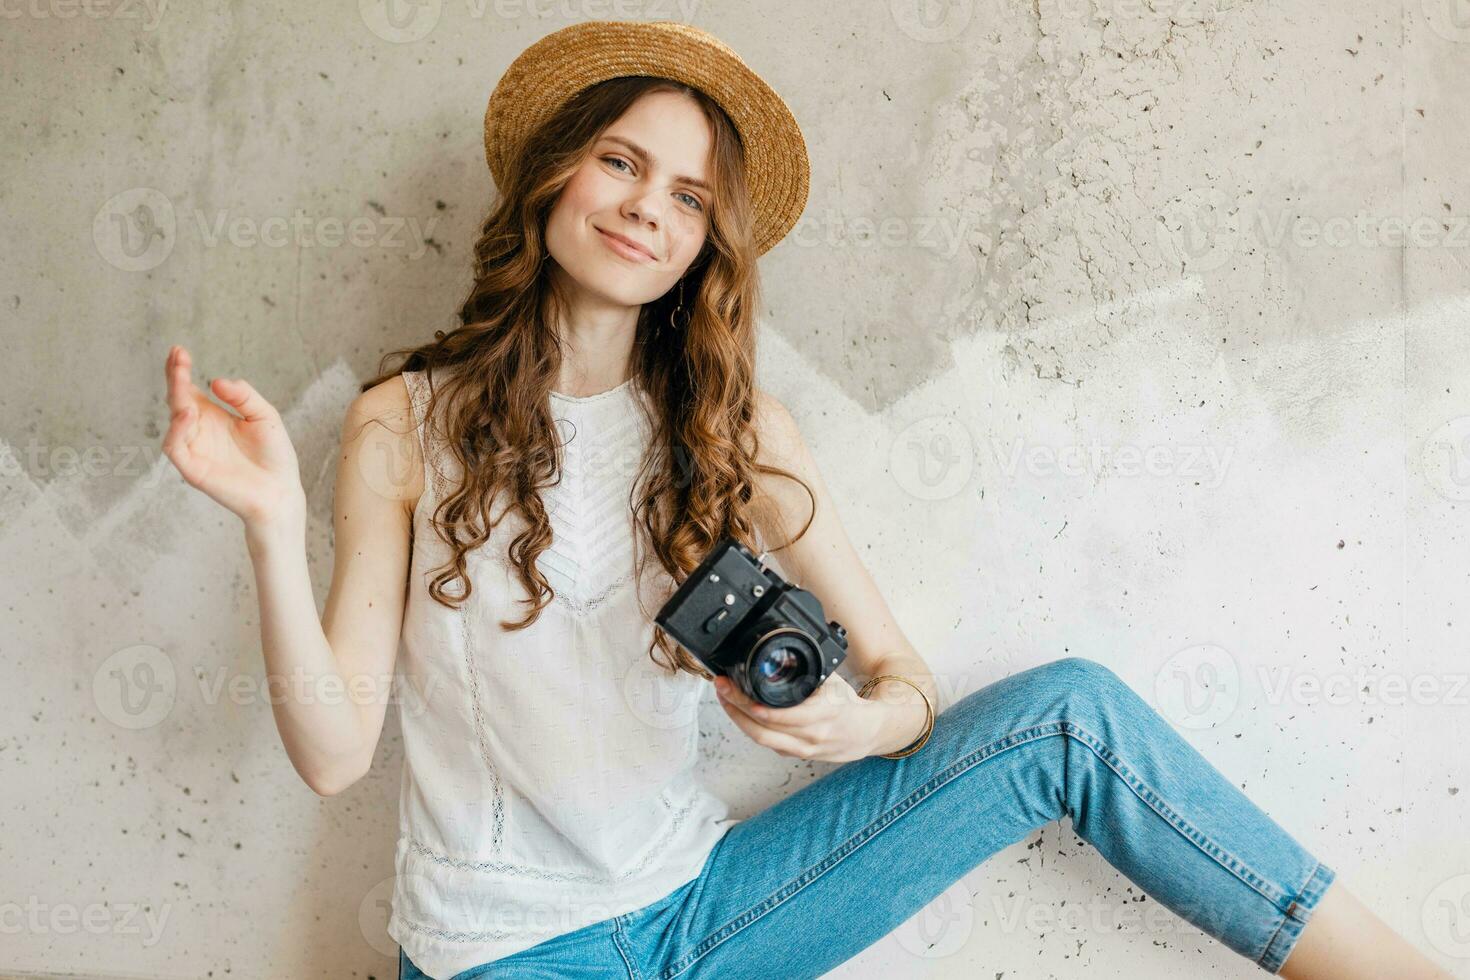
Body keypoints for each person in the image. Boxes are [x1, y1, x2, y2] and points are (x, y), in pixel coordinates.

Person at [161, 20, 1452, 980]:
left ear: (705, 244)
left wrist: (854, 726)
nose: (643, 209)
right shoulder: (407, 423)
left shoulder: (735, 436)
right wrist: (273, 525)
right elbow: (332, 757)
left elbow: (906, 687)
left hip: (712, 910)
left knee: (1071, 716)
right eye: (620, 162)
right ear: (554, 178)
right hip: (508, 953)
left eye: (685, 195)